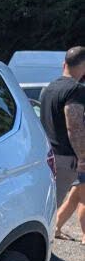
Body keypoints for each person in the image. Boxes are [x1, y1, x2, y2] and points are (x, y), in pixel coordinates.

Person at [40, 46, 85, 243]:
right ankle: (48, 248)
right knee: (50, 207)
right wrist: (83, 157)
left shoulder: (49, 87)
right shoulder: (75, 90)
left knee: (49, 204)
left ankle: (50, 240)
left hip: (47, 154)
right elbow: (73, 127)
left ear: (64, 64)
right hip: (65, 158)